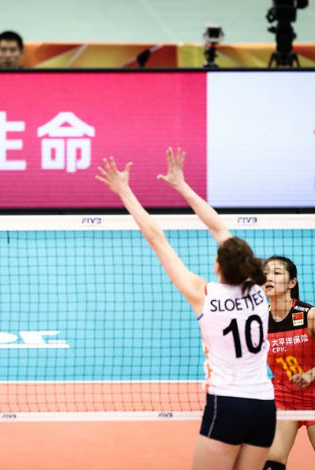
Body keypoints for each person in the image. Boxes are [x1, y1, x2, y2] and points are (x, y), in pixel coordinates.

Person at [96, 148, 276, 470]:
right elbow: (219, 228)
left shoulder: (202, 293)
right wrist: (182, 185)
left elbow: (158, 240)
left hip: (227, 404)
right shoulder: (260, 291)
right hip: (264, 406)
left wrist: (124, 191)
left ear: (218, 265)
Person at [262, 256, 315, 470]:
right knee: (271, 463)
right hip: (282, 398)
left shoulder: (309, 315)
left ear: (292, 283)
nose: (269, 277)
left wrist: (311, 374)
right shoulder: (260, 319)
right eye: (265, 273)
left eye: (277, 273)